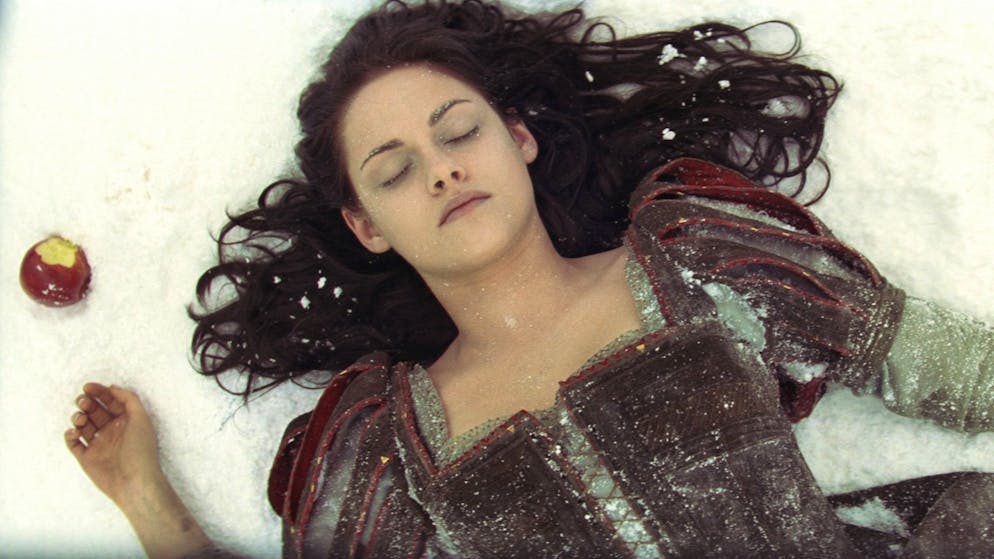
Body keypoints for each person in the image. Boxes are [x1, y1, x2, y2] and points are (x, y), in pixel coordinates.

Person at [65, 1, 994, 557]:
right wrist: (149, 502)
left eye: (458, 131)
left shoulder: (693, 255)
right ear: (366, 225)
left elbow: (935, 361)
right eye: (394, 170)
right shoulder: (392, 444)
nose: (440, 169)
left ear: (518, 139)